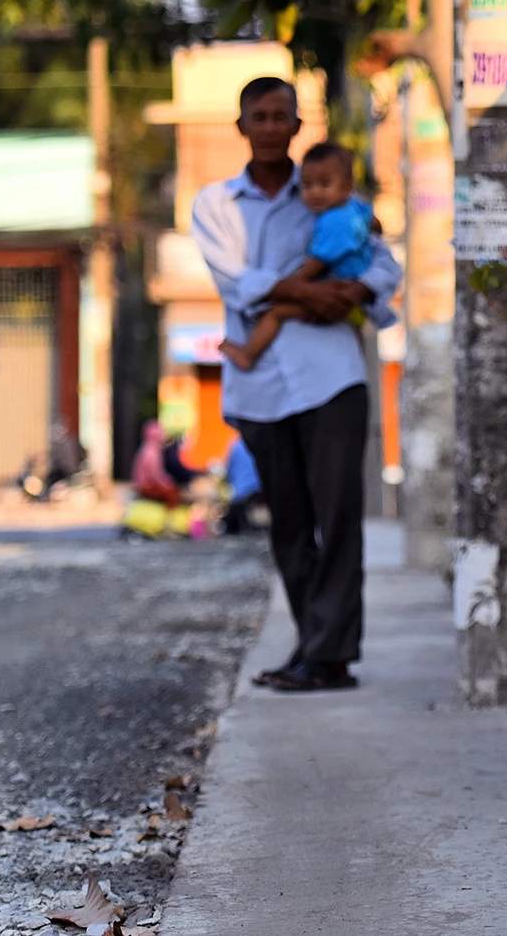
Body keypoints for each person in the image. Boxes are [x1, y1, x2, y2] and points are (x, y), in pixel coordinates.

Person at [192, 76, 400, 693]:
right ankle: (314, 645)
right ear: (242, 127)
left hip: (331, 378)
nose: (270, 125)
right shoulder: (215, 205)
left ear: (295, 125)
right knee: (287, 522)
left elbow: (383, 268)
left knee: (337, 520)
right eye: (259, 115)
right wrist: (316, 291)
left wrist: (353, 293)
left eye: (281, 115)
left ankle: (329, 655)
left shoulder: (335, 196)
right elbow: (238, 284)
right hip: (258, 387)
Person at [218, 141, 388, 372]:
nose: (315, 192)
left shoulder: (334, 223)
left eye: (324, 184)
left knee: (275, 313)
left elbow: (315, 265)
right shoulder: (354, 208)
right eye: (307, 185)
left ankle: (248, 354)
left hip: (337, 291)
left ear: (346, 186)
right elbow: (376, 224)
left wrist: (291, 287)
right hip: (351, 290)